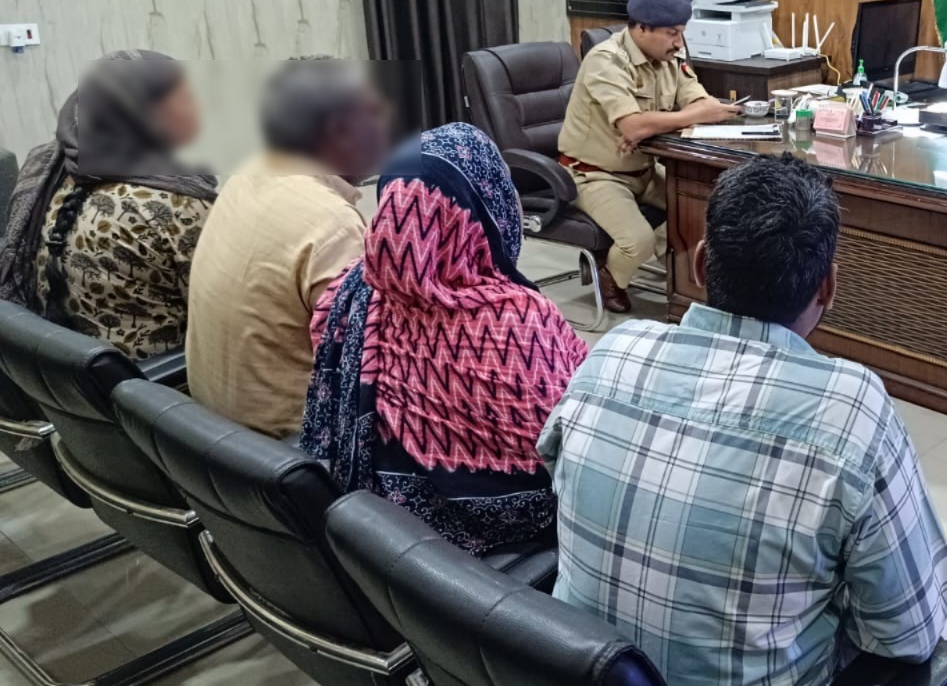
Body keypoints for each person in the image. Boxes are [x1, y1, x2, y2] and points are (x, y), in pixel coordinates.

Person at [538, 154, 947, 686]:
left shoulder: (614, 351)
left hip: (585, 671)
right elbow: (908, 633)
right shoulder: (850, 408)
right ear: (827, 287)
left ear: (701, 264)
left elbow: (558, 483)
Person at [301, 123, 588, 554]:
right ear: (489, 207)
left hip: (382, 533)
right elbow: (571, 443)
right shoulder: (516, 323)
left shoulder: (349, 293)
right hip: (502, 545)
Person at [187, 59, 390, 438]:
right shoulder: (331, 226)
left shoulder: (247, 174)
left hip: (214, 435)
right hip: (289, 448)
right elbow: (371, 367)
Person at [0, 51, 214, 359]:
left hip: (69, 369)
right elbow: (227, 307)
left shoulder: (45, 165)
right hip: (159, 380)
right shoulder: (176, 205)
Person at [557, 0, 742, 314]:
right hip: (596, 174)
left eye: (682, 32)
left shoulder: (670, 57)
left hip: (644, 167)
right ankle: (610, 276)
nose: (679, 42)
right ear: (642, 28)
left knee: (700, 213)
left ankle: (685, 289)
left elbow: (697, 99)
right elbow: (633, 126)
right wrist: (654, 123)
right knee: (638, 241)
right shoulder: (606, 61)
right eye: (672, 33)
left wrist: (655, 123)